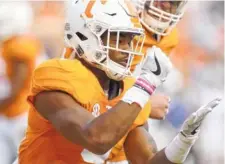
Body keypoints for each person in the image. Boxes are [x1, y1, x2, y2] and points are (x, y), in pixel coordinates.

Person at [17, 0, 221, 164]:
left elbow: (146, 160)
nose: (127, 49)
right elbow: (97, 139)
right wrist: (145, 88)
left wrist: (182, 142)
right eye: (118, 39)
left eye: (130, 40)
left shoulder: (129, 92)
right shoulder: (59, 75)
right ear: (86, 35)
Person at [0, 2, 41, 164]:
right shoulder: (17, 42)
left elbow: (16, 88)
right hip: (16, 112)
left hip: (20, 114)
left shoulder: (19, 45)